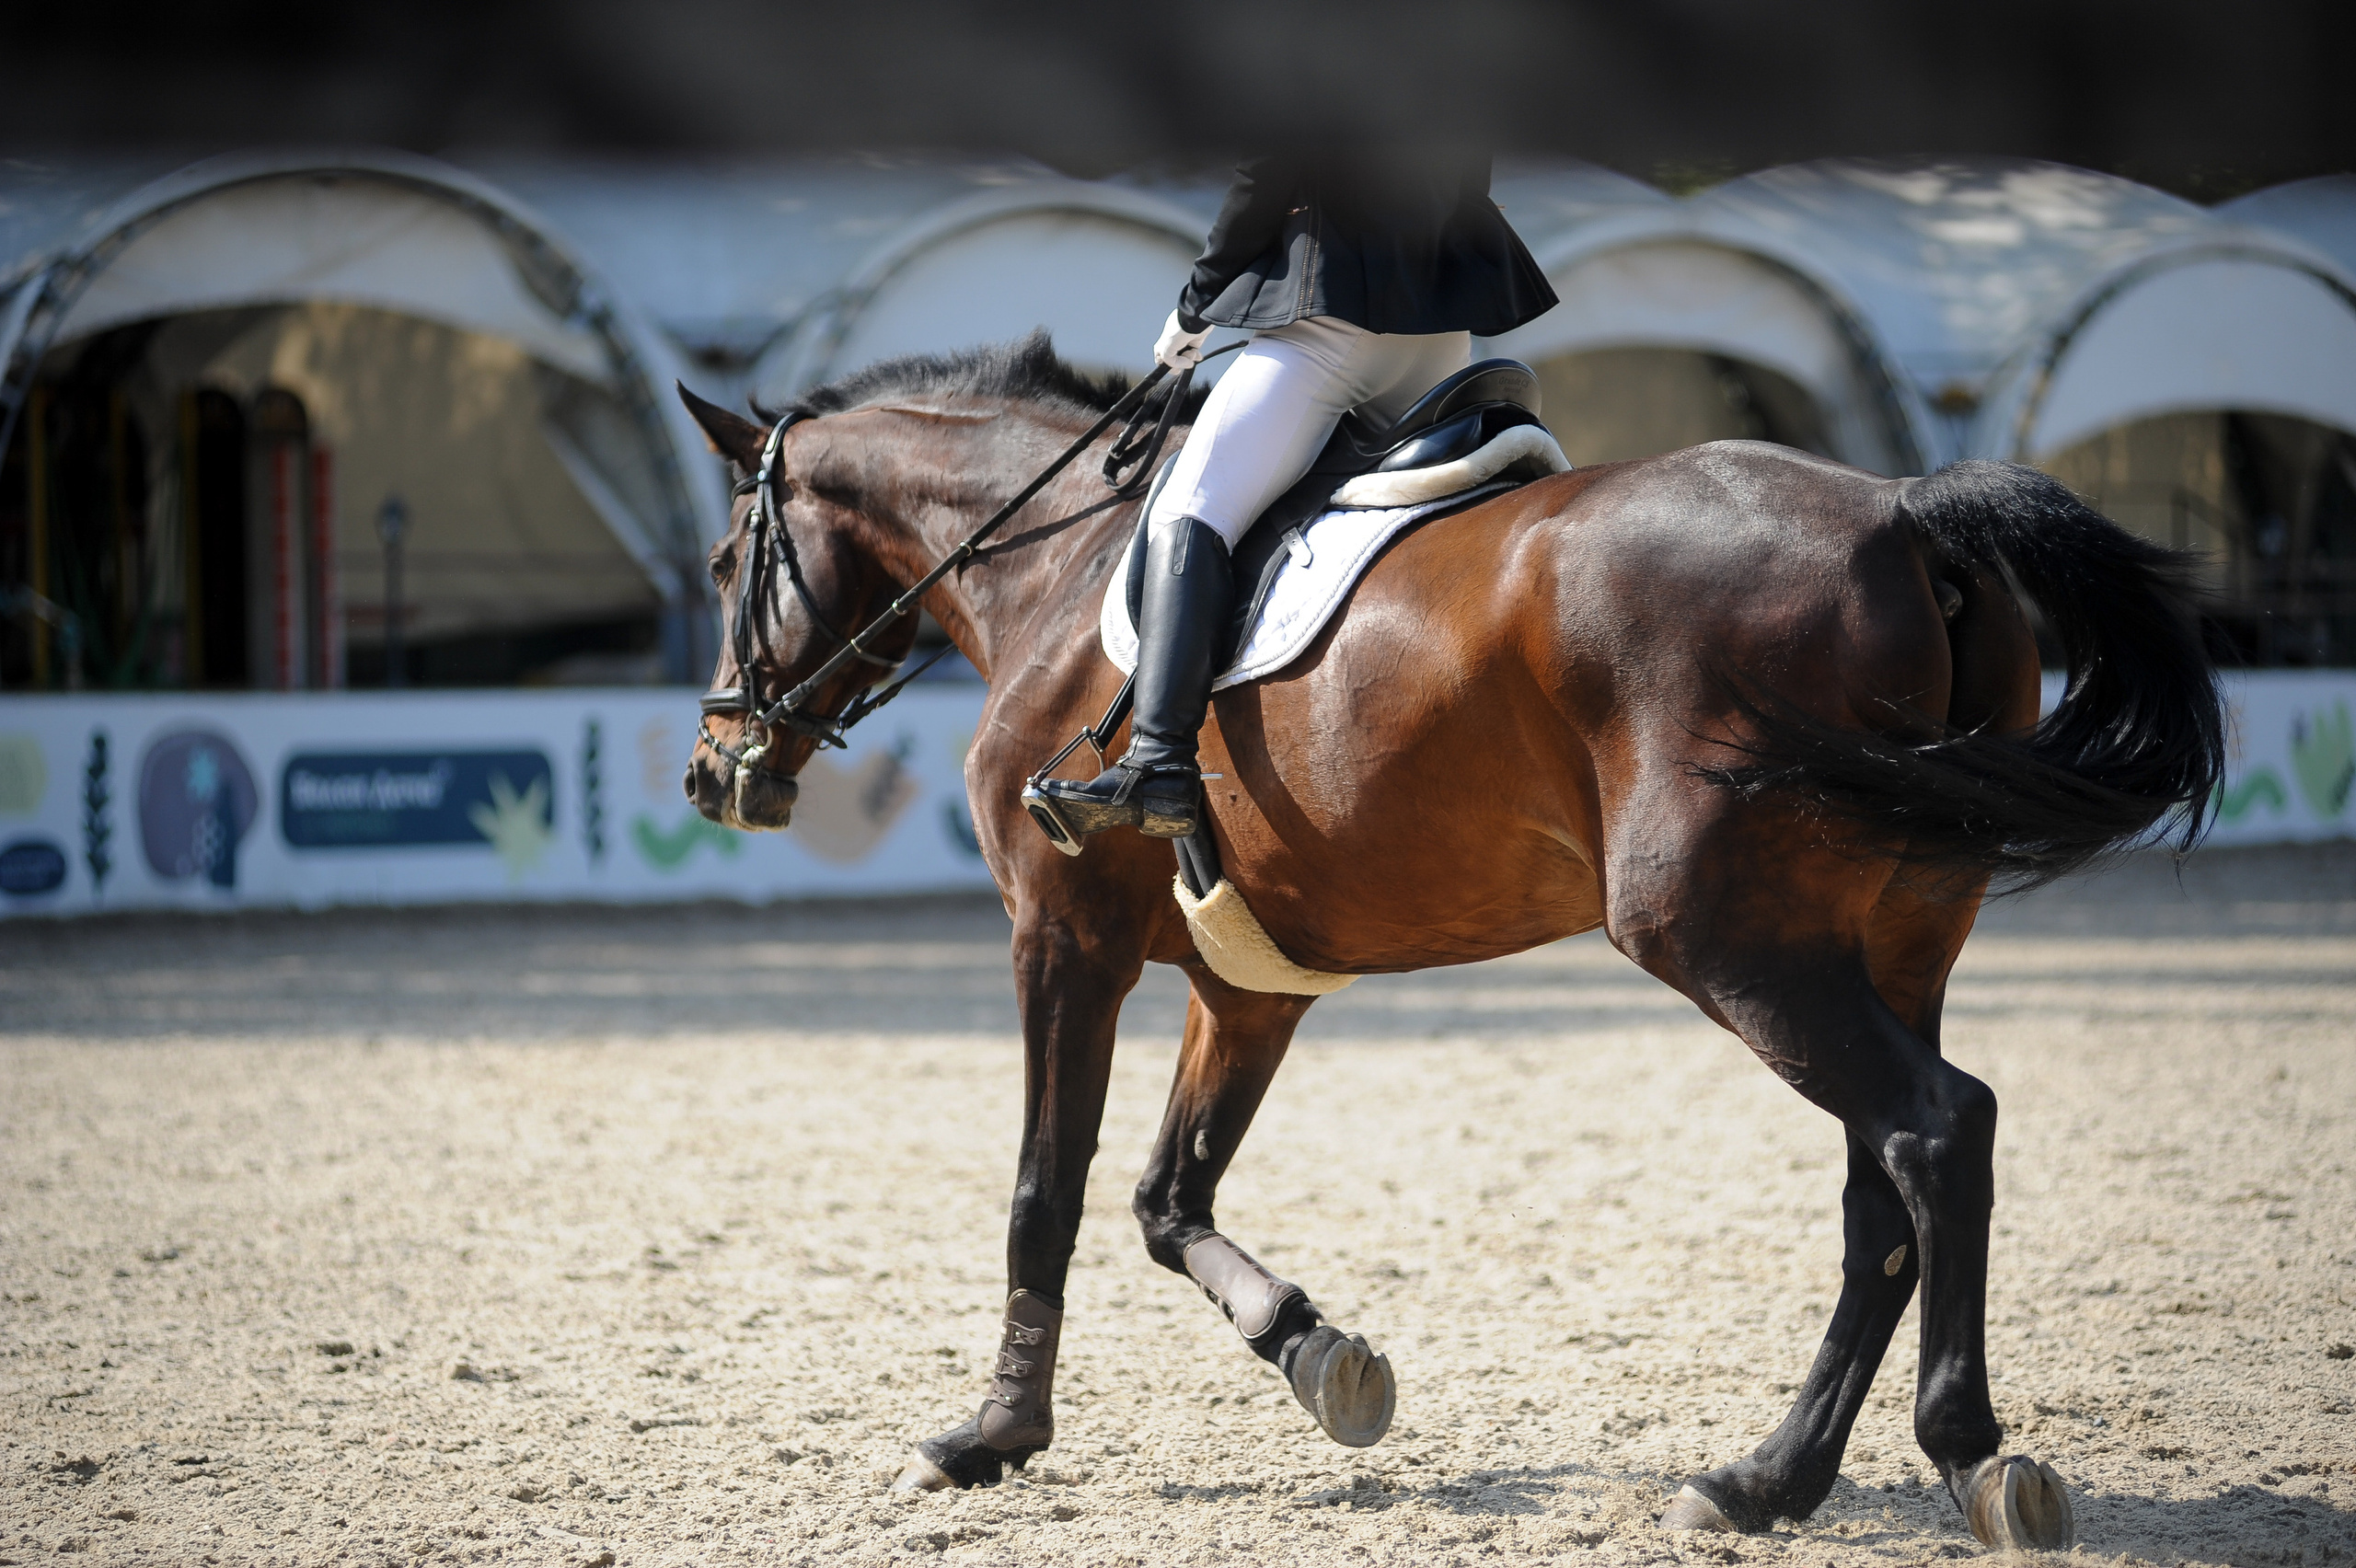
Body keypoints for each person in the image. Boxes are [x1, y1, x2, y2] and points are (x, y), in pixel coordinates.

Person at [1034, 149, 1558, 841]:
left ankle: (1159, 760)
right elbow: (1471, 177)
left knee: (1192, 510)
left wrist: (1196, 309)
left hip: (1328, 324)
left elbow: (1260, 179)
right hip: (1439, 330)